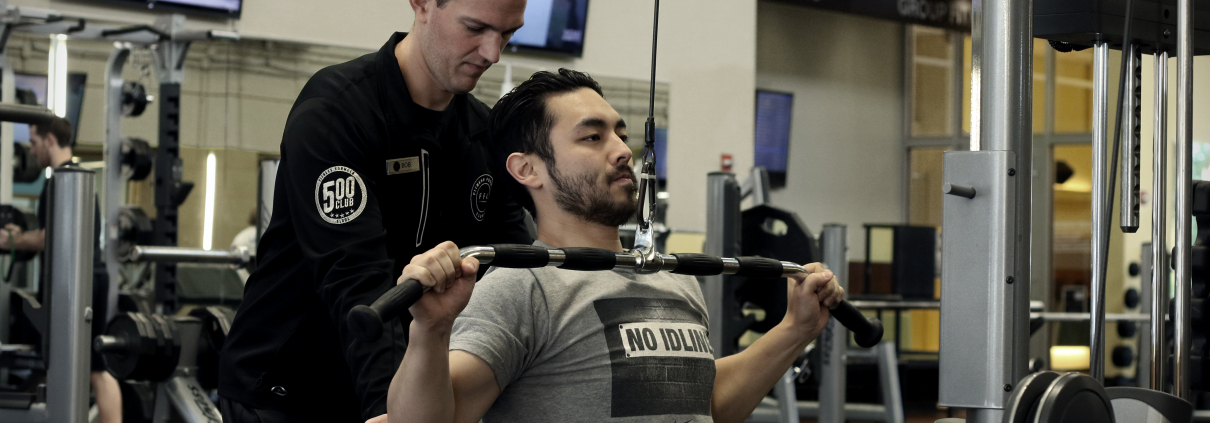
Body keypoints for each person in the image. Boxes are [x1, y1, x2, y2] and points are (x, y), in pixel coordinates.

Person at [385, 69, 845, 423]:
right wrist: (430, 331)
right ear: (527, 169)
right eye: (593, 136)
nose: (624, 150)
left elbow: (707, 405)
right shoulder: (520, 288)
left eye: (621, 134)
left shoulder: (673, 281)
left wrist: (796, 329)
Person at [217, 0, 531, 422]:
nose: (492, 53)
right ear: (421, 4)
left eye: (507, 34)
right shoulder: (337, 111)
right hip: (288, 392)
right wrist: (389, 408)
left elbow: (515, 269)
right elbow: (356, 278)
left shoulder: (482, 133)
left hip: (398, 391)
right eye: (475, 28)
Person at [0, 116, 121, 423]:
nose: (31, 150)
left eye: (34, 143)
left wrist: (14, 239)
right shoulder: (78, 178)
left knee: (86, 368)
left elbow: (48, 237)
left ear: (50, 140)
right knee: (90, 369)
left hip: (77, 284)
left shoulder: (62, 181)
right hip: (89, 279)